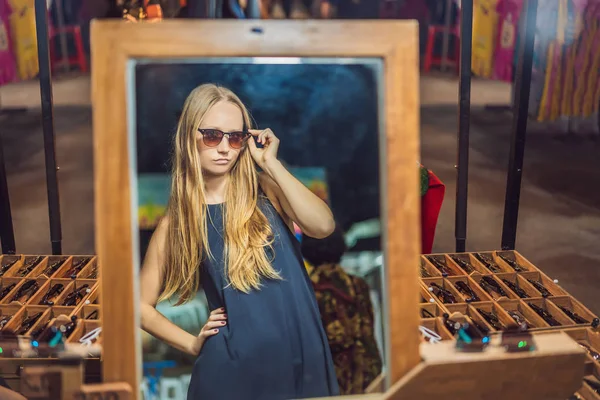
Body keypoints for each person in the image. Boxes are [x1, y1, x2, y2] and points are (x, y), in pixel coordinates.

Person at [139, 84, 339, 400]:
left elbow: (323, 226)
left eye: (235, 137)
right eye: (212, 135)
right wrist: (191, 343)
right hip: (230, 371)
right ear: (189, 136)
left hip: (303, 352)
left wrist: (271, 164)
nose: (224, 148)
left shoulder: (267, 190)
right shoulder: (179, 219)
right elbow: (139, 307)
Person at [301, 226, 383, 395]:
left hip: (324, 379)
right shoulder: (357, 284)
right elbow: (367, 332)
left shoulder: (305, 291)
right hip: (362, 376)